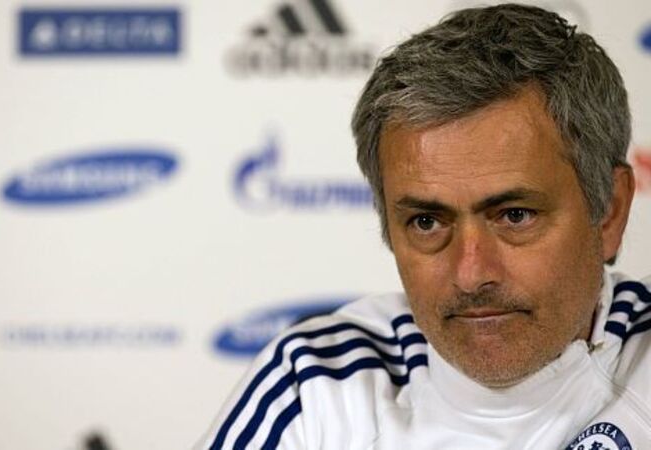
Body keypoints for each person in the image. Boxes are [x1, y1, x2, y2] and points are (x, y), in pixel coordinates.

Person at [200, 4, 649, 449]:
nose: (471, 275)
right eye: (427, 222)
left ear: (610, 211)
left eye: (515, 216)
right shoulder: (315, 387)